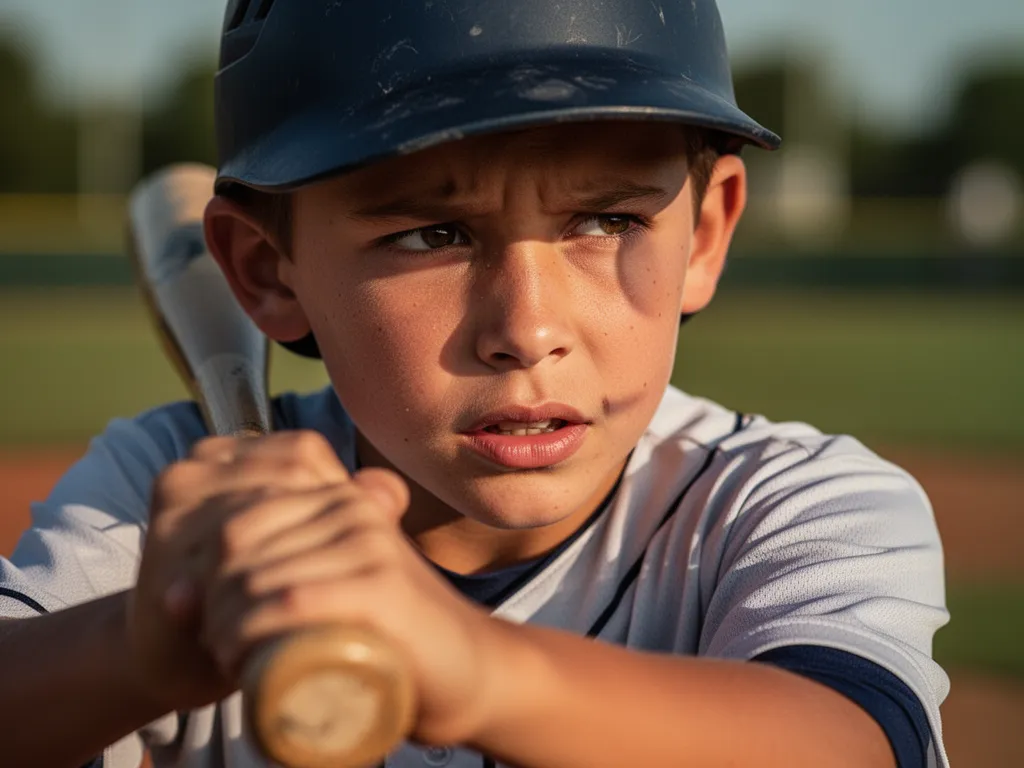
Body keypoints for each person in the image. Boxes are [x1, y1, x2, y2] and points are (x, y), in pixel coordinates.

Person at [0, 1, 950, 767]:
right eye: (431, 236)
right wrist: (134, 649)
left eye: (609, 221)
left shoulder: (787, 505)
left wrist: (475, 669)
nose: (527, 331)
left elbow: (846, 740)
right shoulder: (181, 497)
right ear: (264, 270)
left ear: (704, 235)